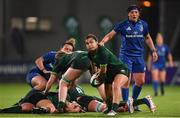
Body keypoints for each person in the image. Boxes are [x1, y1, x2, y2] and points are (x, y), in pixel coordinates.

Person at [99, 5, 158, 107]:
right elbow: (110, 35)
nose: (134, 14)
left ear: (139, 14)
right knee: (126, 81)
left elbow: (147, 37)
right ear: (128, 14)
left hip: (139, 56)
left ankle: (132, 102)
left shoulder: (143, 25)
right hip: (126, 56)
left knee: (141, 82)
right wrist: (103, 42)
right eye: (132, 12)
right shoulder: (122, 25)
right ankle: (126, 104)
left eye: (136, 12)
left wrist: (153, 51)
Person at [85, 34, 129, 116]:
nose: (89, 45)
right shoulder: (90, 54)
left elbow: (103, 71)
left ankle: (114, 110)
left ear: (97, 42)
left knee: (116, 85)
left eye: (91, 42)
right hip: (109, 73)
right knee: (107, 93)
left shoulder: (102, 52)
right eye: (87, 43)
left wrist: (97, 79)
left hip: (120, 70)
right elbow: (93, 66)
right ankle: (109, 108)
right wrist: (94, 75)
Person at [0, 90, 83, 113]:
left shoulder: (63, 110)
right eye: (75, 105)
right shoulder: (65, 97)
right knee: (51, 109)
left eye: (74, 108)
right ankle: (43, 109)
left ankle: (2, 111)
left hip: (31, 102)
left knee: (25, 108)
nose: (74, 106)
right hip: (40, 96)